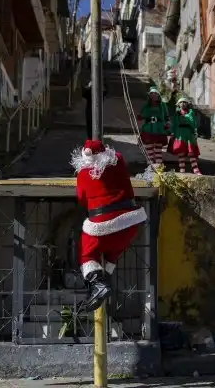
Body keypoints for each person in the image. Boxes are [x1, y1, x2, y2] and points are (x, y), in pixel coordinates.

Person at [70, 139, 147, 311]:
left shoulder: (83, 174)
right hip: (130, 223)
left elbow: (82, 200)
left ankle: (98, 284)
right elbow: (116, 155)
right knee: (113, 251)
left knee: (86, 253)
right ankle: (104, 278)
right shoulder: (118, 162)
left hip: (102, 225)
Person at [167, 97, 202, 175]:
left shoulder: (191, 112)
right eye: (181, 102)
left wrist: (195, 133)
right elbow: (174, 125)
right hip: (180, 134)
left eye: (184, 102)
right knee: (181, 152)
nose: (182, 104)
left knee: (191, 153)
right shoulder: (177, 114)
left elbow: (194, 123)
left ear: (187, 104)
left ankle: (196, 169)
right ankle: (182, 170)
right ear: (178, 104)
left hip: (189, 134)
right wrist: (172, 133)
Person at [137, 87, 169, 165]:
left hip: (159, 128)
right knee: (149, 147)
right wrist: (140, 116)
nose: (153, 95)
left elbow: (166, 116)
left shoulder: (163, 105)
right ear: (149, 95)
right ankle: (150, 165)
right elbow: (142, 115)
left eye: (155, 93)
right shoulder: (146, 105)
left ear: (158, 95)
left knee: (158, 148)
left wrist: (167, 124)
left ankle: (158, 166)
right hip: (149, 127)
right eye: (151, 93)